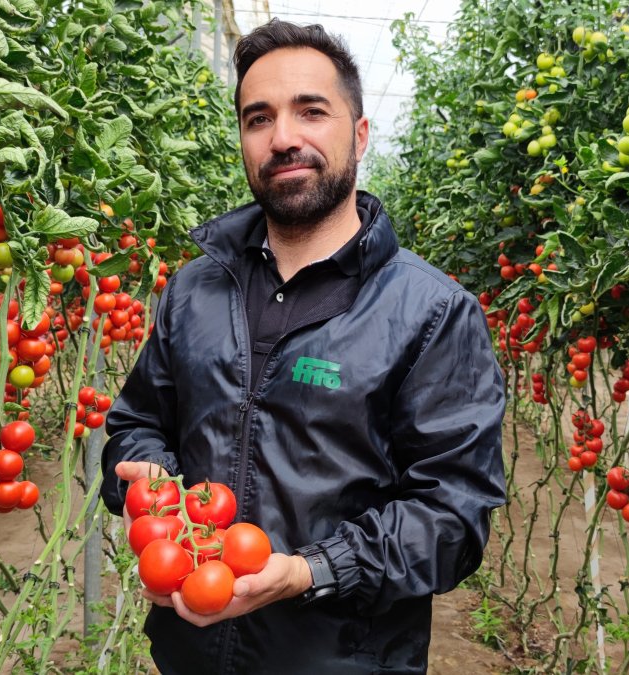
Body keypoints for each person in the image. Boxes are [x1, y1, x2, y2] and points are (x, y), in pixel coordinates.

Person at [100, 18, 506, 674]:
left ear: (360, 133)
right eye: (258, 119)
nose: (282, 137)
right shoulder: (195, 289)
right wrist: (145, 477)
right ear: (241, 140)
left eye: (310, 111)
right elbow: (138, 421)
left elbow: (453, 518)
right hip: (188, 653)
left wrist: (308, 569)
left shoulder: (433, 314)